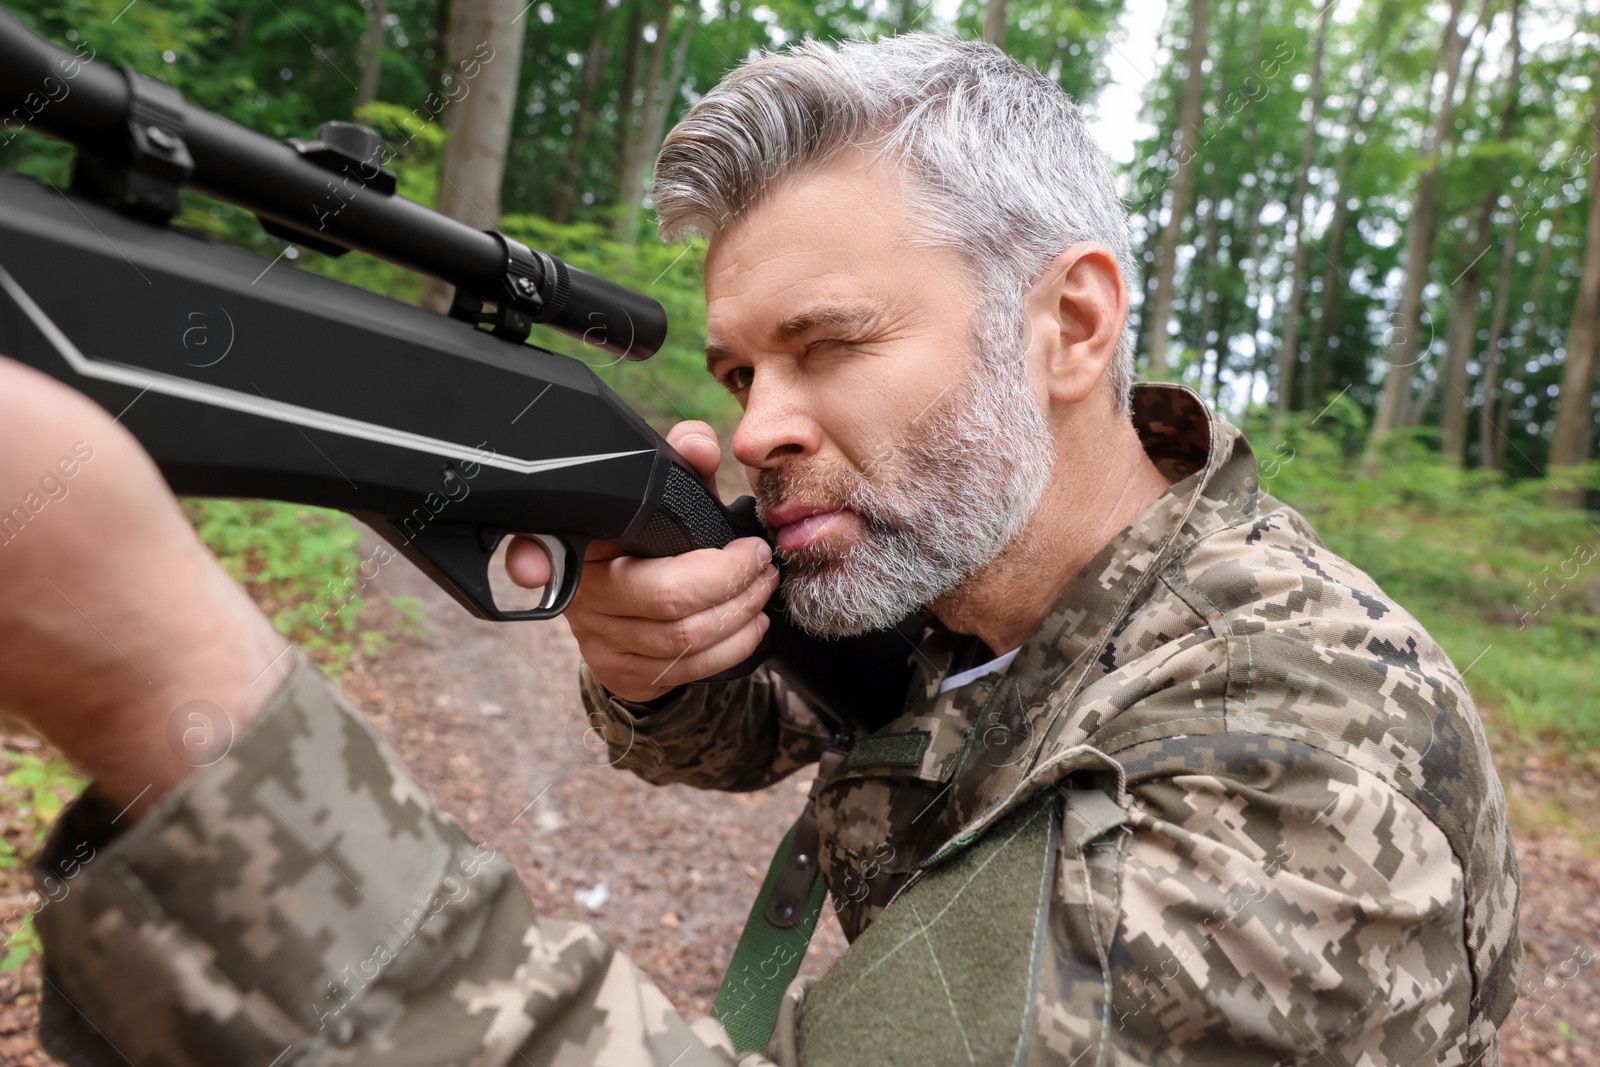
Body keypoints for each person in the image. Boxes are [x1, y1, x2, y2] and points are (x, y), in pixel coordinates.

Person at [4, 33, 1517, 1067]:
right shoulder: (981, 567)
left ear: (1068, 323)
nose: (760, 428)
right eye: (738, 374)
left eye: (830, 344)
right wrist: (650, 659)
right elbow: (788, 715)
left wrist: (173, 702)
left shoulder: (1302, 769)